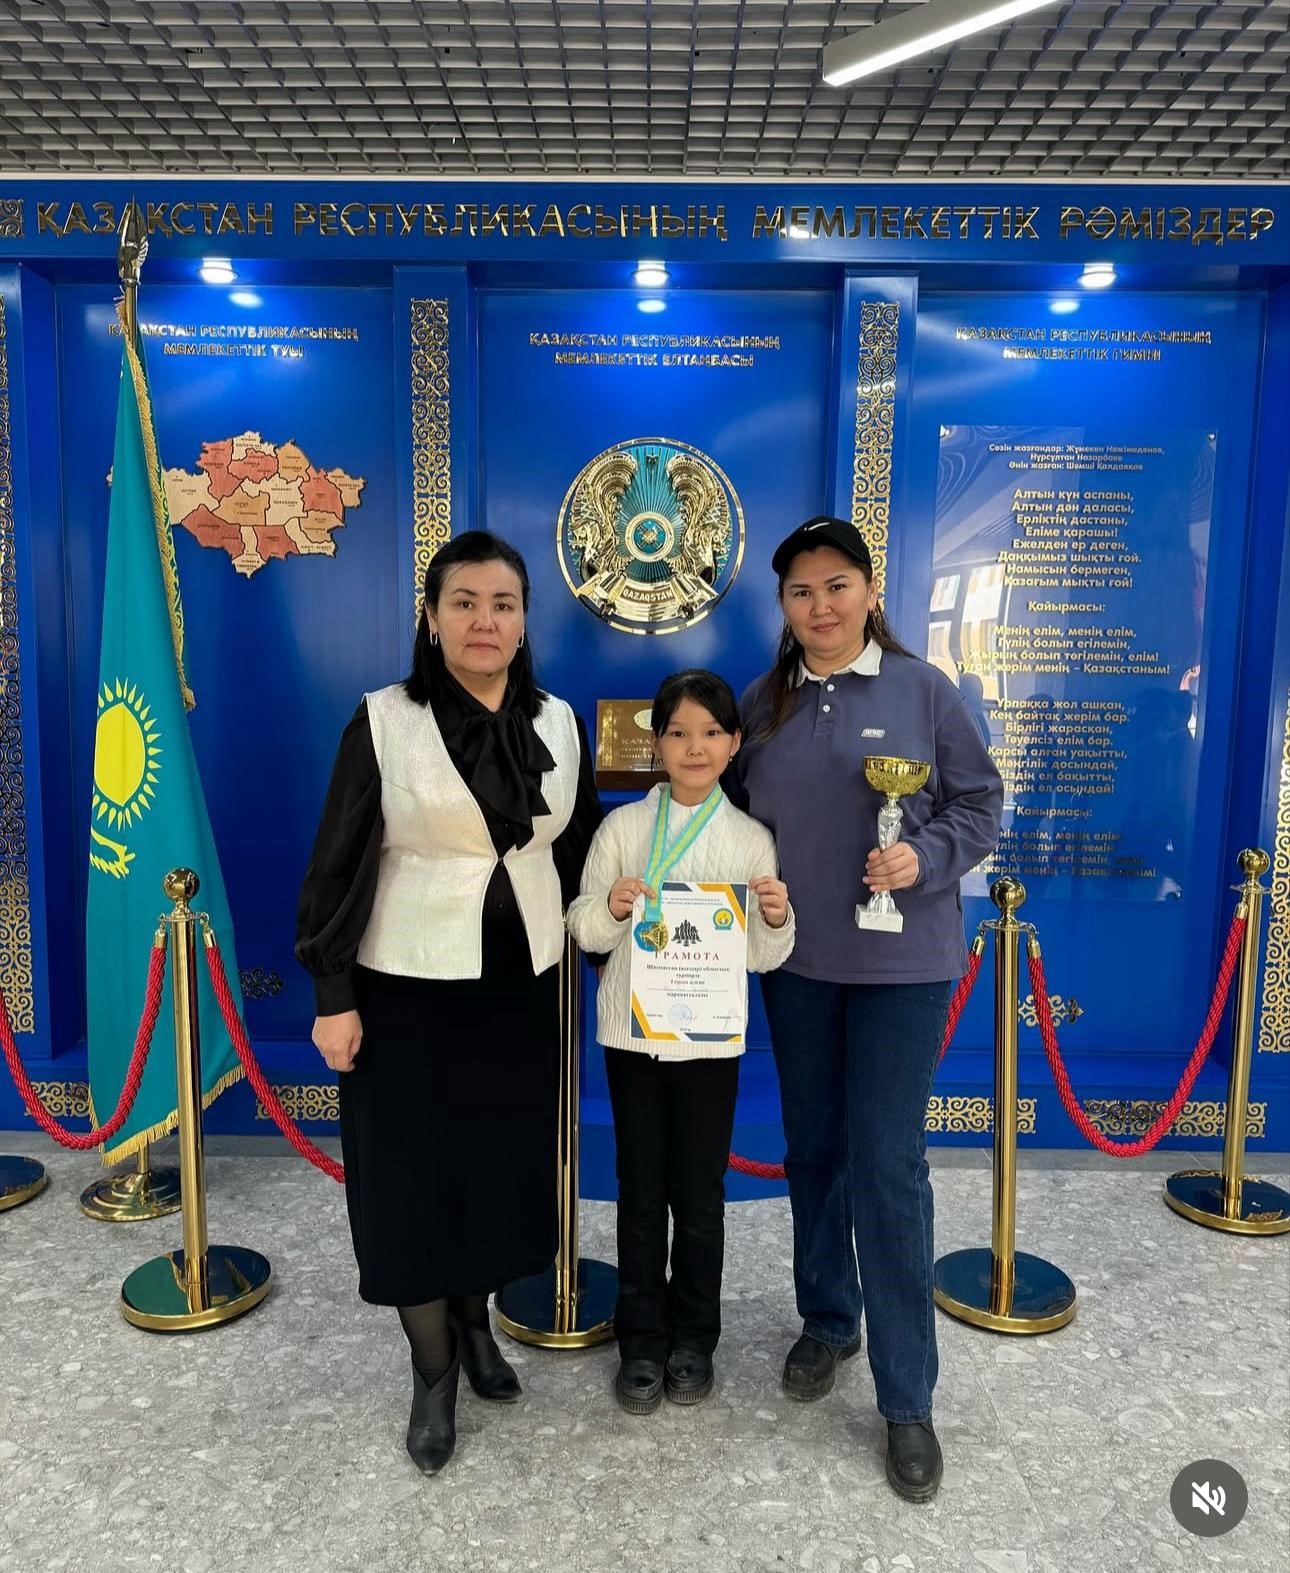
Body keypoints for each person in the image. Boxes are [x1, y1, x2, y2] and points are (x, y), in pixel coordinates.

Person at [295, 530, 602, 1478]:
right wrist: (333, 993)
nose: (484, 620)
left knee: (498, 1170)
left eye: (503, 603)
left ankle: (476, 1328)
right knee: (413, 1182)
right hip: (407, 990)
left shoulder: (558, 722)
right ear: (431, 618)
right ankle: (432, 1370)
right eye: (463, 601)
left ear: (524, 622)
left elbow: (580, 850)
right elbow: (338, 861)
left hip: (525, 988)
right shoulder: (383, 720)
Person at [727, 517, 1002, 1503]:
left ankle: (907, 1396)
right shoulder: (762, 702)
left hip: (904, 965)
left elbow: (980, 803)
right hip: (797, 962)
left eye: (837, 585)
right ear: (784, 604)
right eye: (801, 591)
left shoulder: (926, 690)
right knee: (814, 1149)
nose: (821, 606)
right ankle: (829, 1318)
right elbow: (731, 821)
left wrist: (922, 857)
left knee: (888, 1165)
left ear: (871, 591)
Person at [567, 669, 796, 1414]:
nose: (694, 747)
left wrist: (774, 914)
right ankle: (641, 1339)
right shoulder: (622, 831)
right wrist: (610, 905)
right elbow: (583, 929)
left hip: (709, 1046)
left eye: (710, 733)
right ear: (657, 744)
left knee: (699, 1198)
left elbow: (763, 956)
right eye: (677, 733)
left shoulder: (751, 840)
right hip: (633, 1038)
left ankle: (695, 1337)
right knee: (640, 1192)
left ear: (733, 743)